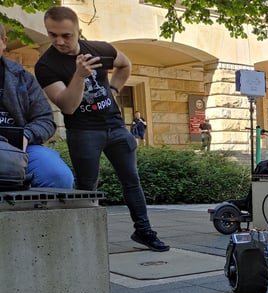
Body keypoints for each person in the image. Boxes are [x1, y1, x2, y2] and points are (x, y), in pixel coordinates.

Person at [35, 6, 168, 251]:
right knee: (87, 186)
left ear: (78, 31)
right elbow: (68, 106)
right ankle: (85, 240)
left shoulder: (99, 49)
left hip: (115, 126)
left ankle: (144, 231)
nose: (59, 41)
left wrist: (114, 90)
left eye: (66, 35)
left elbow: (125, 64)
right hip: (83, 131)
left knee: (132, 181)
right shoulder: (46, 65)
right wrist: (79, 76)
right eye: (52, 35)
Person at [0, 23, 74, 188]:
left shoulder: (23, 77)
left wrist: (27, 135)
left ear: (4, 42)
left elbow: (45, 119)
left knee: (58, 177)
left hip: (21, 148)